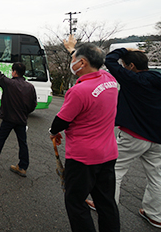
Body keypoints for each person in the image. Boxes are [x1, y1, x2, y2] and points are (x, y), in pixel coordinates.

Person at [49, 36, 120, 232]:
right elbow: (88, 61)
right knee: (106, 203)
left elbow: (60, 121)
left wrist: (53, 132)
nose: (72, 63)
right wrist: (73, 49)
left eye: (74, 60)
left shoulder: (79, 91)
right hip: (108, 154)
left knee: (75, 202)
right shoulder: (110, 81)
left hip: (83, 159)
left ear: (82, 63)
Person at [104, 47, 161, 229]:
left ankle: (105, 207)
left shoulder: (132, 79)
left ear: (131, 66)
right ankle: (155, 215)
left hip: (134, 135)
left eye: (124, 65)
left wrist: (124, 49)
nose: (122, 67)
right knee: (156, 177)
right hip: (159, 139)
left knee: (114, 171)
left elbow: (109, 60)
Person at [0, 55, 37, 177]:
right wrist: (24, 113)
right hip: (21, 119)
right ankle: (22, 167)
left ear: (14, 72)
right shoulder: (30, 87)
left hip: (8, 118)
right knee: (23, 143)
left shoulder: (9, 83)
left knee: (0, 139)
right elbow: (33, 105)